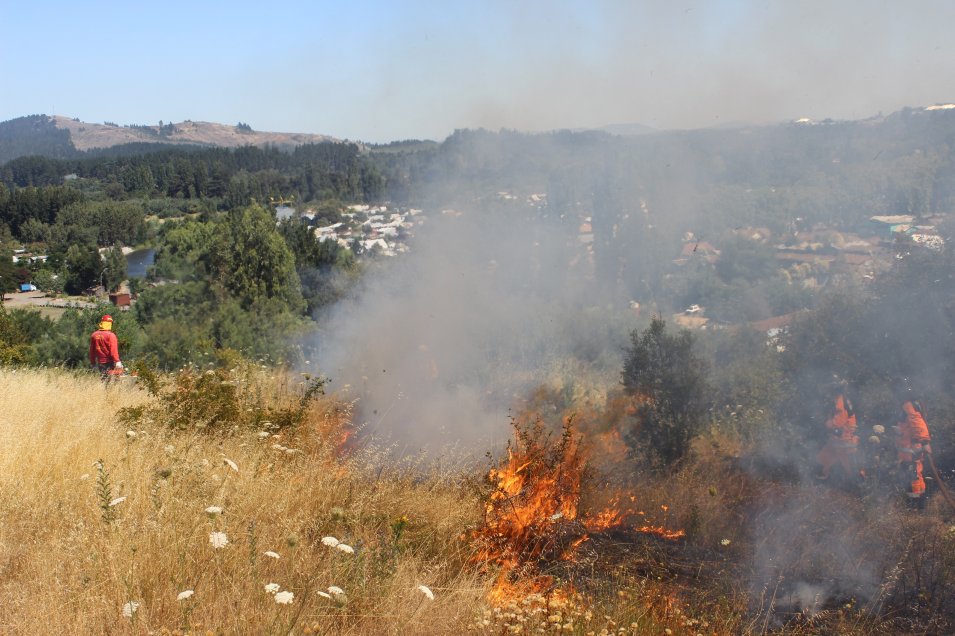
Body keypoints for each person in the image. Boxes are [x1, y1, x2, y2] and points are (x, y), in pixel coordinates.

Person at [816, 379, 862, 482]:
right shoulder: (840, 400)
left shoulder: (839, 403)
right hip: (840, 437)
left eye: (830, 388)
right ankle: (822, 474)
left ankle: (858, 482)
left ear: (835, 389)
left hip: (844, 436)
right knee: (826, 456)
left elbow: (839, 421)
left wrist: (828, 425)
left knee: (848, 461)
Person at [894, 380, 931, 506]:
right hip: (910, 448)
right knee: (916, 473)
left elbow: (917, 424)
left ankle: (915, 504)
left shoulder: (908, 405)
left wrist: (925, 442)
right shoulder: (910, 404)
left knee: (912, 475)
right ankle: (920, 502)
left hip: (911, 449)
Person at [89, 314, 122, 378]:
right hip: (110, 363)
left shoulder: (94, 335)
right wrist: (117, 361)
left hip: (100, 363)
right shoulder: (111, 336)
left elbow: (91, 351)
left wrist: (92, 362)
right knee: (112, 382)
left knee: (104, 381)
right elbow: (113, 351)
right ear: (110, 324)